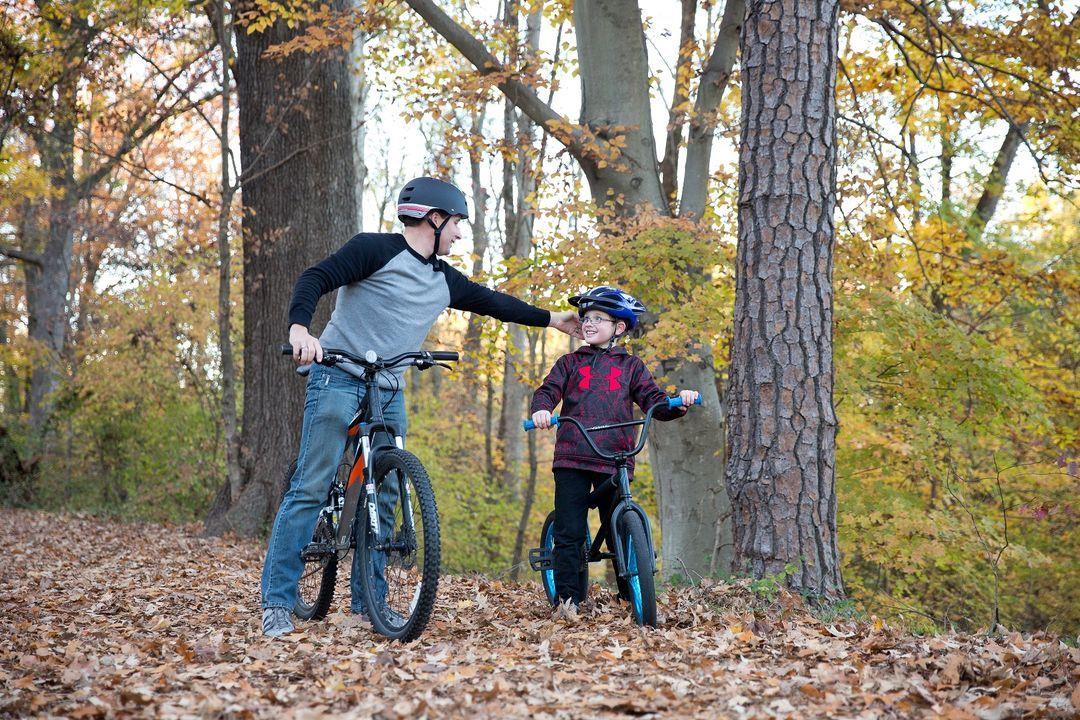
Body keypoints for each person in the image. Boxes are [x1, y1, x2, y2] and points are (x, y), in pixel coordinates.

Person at [262, 177, 582, 637]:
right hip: (337, 374)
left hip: (388, 386)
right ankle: (277, 601)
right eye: (456, 224)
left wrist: (553, 319)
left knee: (388, 489)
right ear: (433, 219)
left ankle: (367, 604)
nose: (459, 234)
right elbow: (316, 277)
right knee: (311, 486)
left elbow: (494, 303)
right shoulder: (374, 250)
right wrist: (300, 329)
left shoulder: (444, 279)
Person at [529, 286, 698, 616]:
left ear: (619, 327)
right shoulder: (569, 363)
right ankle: (568, 602)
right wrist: (542, 410)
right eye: (586, 318)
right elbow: (547, 391)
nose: (588, 323)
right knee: (570, 531)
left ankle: (630, 598)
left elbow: (654, 401)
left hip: (614, 456)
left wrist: (679, 403)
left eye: (598, 318)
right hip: (573, 455)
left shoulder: (632, 367)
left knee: (619, 529)